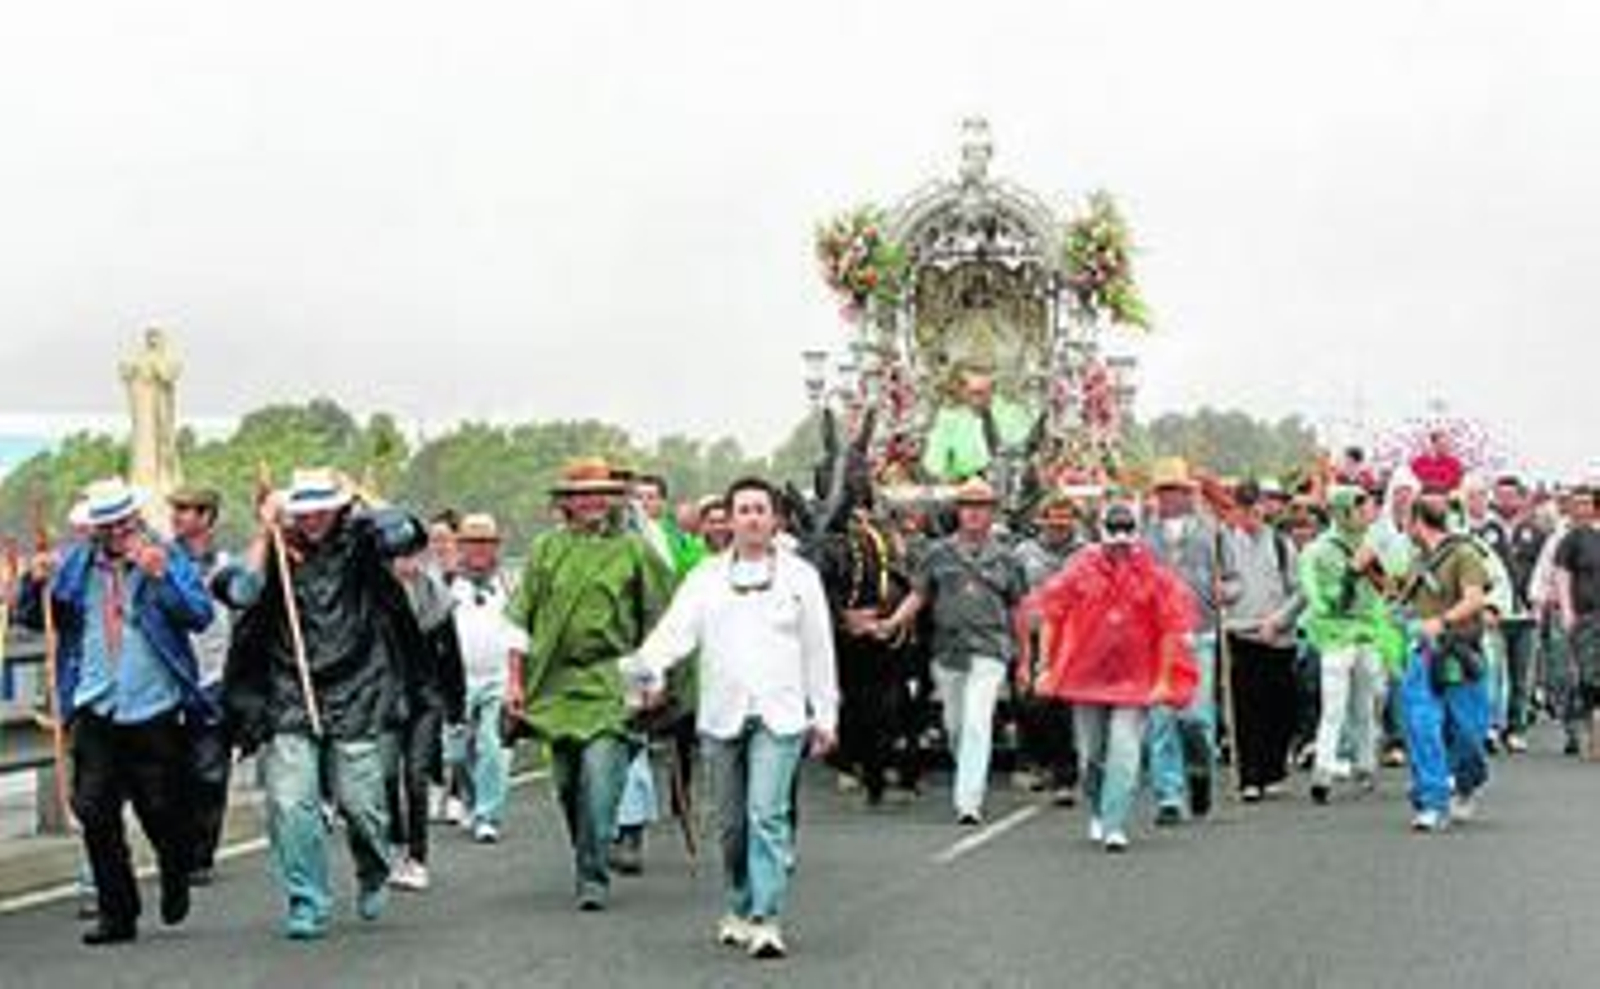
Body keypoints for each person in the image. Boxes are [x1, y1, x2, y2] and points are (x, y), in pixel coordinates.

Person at [622, 476, 838, 960]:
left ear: (775, 519)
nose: (753, 518)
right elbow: (674, 634)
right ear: (728, 520)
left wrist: (825, 714)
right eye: (743, 510)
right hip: (721, 715)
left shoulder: (801, 577)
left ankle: (766, 916)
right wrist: (644, 671)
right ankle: (738, 904)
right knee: (732, 825)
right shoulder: (706, 577)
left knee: (767, 815)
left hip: (779, 715)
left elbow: (819, 650)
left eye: (761, 509)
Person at [219, 467, 429, 939]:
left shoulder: (364, 541)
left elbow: (406, 534)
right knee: (291, 803)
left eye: (322, 508)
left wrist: (363, 495)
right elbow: (238, 592)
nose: (311, 518)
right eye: (302, 509)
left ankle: (374, 867)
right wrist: (263, 531)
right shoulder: (275, 545)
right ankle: (307, 899)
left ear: (338, 507)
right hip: (288, 689)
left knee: (361, 804)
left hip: (357, 684)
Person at [17, 478, 215, 946]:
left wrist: (162, 577)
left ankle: (175, 867)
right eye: (104, 526)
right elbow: (35, 616)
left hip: (154, 707)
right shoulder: (76, 564)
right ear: (94, 529)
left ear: (134, 519)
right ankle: (117, 913)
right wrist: (34, 580)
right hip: (95, 704)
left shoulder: (164, 555)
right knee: (94, 810)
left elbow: (199, 614)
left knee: (160, 809)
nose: (115, 533)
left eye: (121, 523)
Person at [504, 458, 672, 911]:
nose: (594, 501)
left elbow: (659, 620)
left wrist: (653, 679)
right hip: (553, 683)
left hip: (609, 681)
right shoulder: (545, 550)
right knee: (566, 783)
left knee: (601, 782)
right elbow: (520, 621)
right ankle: (586, 850)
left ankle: (593, 875)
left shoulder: (635, 551)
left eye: (602, 492)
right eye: (583, 494)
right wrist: (515, 682)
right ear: (567, 503)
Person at [1019, 501, 1198, 851]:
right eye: (1113, 531)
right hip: (1086, 678)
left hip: (1135, 681)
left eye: (1126, 530)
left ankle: (1115, 822)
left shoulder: (1153, 574)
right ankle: (1099, 811)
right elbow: (1052, 615)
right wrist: (1046, 667)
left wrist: (1163, 679)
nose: (1119, 540)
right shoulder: (1079, 569)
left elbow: (1169, 628)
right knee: (1091, 756)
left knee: (1125, 750)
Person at [879, 478, 1027, 825]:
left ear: (992, 513)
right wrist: (892, 623)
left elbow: (1020, 608)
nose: (974, 513)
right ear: (958, 512)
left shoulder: (1007, 558)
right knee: (956, 726)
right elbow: (918, 595)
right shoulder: (937, 553)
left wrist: (1026, 659)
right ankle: (969, 775)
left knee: (977, 722)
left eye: (981, 507)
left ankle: (968, 801)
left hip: (990, 649)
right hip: (948, 652)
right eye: (967, 507)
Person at [1143, 457, 1238, 824]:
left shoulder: (1212, 532)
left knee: (1196, 715)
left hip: (1200, 634)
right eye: (1164, 491)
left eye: (1177, 490)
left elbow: (1234, 580)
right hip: (1159, 639)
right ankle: (1169, 795)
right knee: (1161, 718)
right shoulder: (1144, 537)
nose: (1171, 497)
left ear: (1189, 494)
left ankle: (1200, 772)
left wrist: (1225, 591)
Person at [1297, 486, 1404, 804]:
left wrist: (1377, 568)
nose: (1368, 513)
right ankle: (1323, 769)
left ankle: (1365, 762)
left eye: (1368, 507)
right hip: (1335, 636)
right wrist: (1351, 573)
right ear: (1343, 511)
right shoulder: (1318, 550)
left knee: (1366, 701)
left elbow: (1393, 587)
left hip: (1370, 633)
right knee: (1334, 706)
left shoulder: (1377, 545)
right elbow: (1319, 599)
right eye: (1361, 508)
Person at [1397, 495, 1492, 831]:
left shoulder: (1465, 554)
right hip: (1423, 655)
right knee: (1422, 726)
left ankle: (1465, 785)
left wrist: (1442, 621)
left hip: (1461, 653)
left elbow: (1475, 598)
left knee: (1469, 732)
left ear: (1418, 522)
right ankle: (1432, 801)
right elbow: (1401, 601)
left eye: (1408, 520)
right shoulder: (1415, 561)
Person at [385, 543, 465, 892]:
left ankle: (418, 857)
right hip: (383, 701)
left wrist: (455, 706)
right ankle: (395, 842)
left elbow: (452, 657)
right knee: (386, 775)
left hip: (424, 699)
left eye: (412, 555)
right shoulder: (374, 599)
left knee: (415, 775)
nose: (406, 564)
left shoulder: (438, 599)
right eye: (398, 556)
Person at [165, 486, 234, 885]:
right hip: (170, 682)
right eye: (176, 509)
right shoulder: (161, 560)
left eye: (188, 510)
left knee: (208, 773)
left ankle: (200, 855)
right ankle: (175, 849)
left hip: (214, 680)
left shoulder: (225, 566)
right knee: (170, 774)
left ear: (208, 517)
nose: (179, 516)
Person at [446, 512, 526, 842]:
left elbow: (520, 633)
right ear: (460, 546)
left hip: (499, 677)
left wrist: (516, 679)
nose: (479, 549)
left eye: (486, 542)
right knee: (456, 752)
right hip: (456, 679)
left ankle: (487, 815)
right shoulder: (446, 583)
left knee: (492, 746)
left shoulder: (511, 583)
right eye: (471, 542)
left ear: (496, 546)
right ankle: (467, 795)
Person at [1011, 493, 1089, 805]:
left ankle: (1065, 774)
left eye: (1065, 518)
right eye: (1053, 518)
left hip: (1072, 637)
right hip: (1030, 635)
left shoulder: (1086, 553)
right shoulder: (1023, 553)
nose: (1058, 524)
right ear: (1042, 520)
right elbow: (1013, 594)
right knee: (1029, 702)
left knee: (1064, 706)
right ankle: (1036, 759)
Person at [1553, 484, 1600, 759]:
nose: (1581, 508)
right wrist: (1567, 610)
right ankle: (1590, 721)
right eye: (1577, 503)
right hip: (1586, 615)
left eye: (1587, 503)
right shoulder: (1573, 538)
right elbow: (1562, 574)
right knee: (1587, 673)